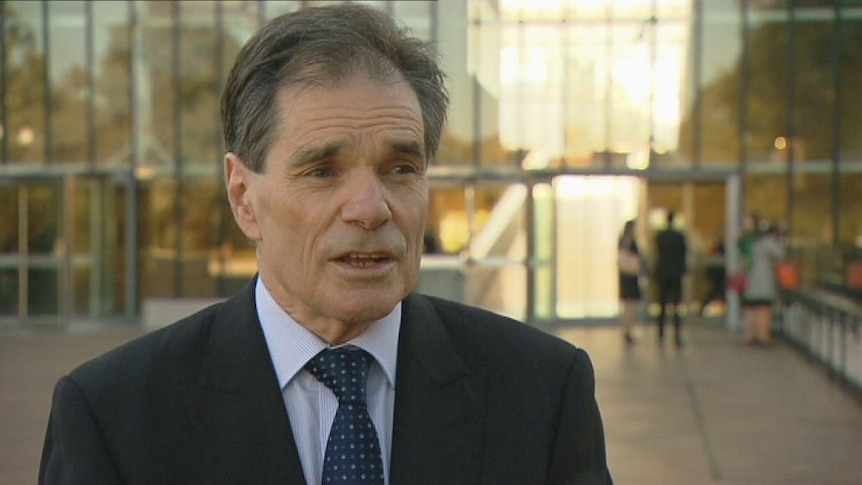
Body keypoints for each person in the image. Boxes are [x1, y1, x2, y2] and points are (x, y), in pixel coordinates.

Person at [39, 5, 612, 484]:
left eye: (401, 167)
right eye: (322, 171)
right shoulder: (112, 416)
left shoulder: (543, 392)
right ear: (244, 197)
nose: (371, 208)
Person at [743, 223, 785, 346]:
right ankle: (763, 336)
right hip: (764, 281)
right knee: (764, 308)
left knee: (752, 308)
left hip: (751, 281)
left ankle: (751, 334)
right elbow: (781, 254)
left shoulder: (754, 243)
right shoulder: (769, 243)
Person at [654, 211, 687, 347]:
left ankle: (661, 335)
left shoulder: (660, 236)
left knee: (662, 306)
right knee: (676, 306)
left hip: (663, 274)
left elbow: (658, 253)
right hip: (675, 275)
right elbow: (683, 255)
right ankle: (677, 336)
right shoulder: (679, 236)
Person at [617, 219, 642, 344]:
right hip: (630, 276)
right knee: (630, 305)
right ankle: (628, 330)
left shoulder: (623, 241)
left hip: (626, 276)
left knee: (629, 305)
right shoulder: (629, 242)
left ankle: (628, 330)